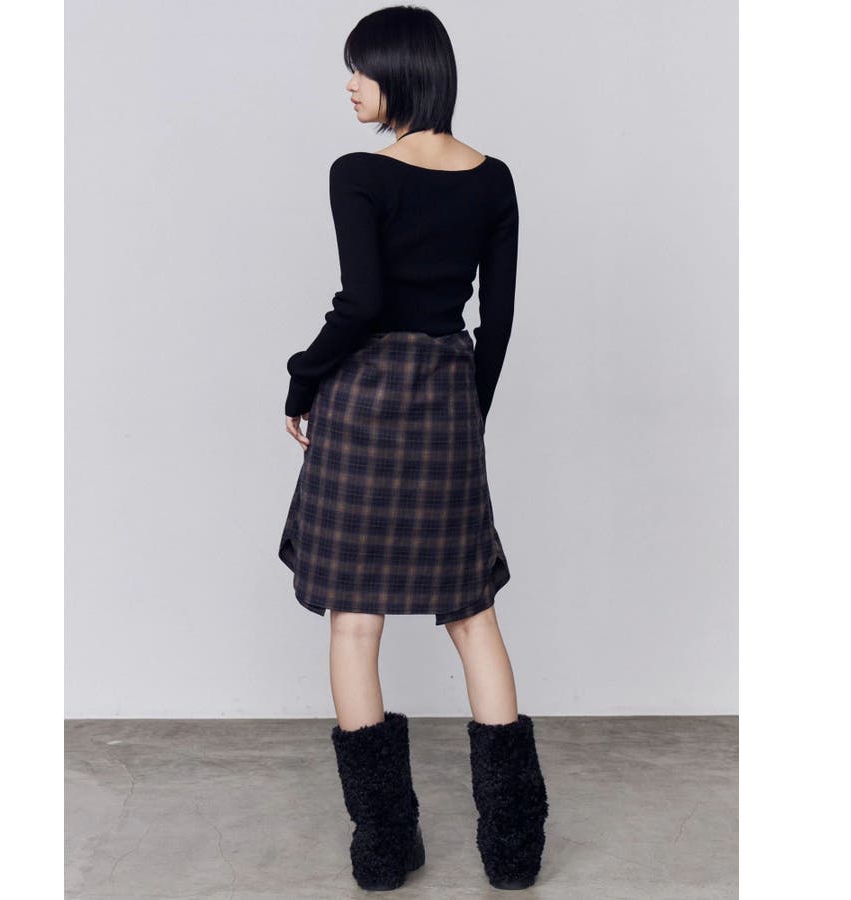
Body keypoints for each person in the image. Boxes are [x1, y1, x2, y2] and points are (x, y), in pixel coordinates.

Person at [277, 6, 548, 891]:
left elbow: (360, 304)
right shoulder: (494, 179)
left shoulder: (358, 174)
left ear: (401, 74)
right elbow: (497, 321)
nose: (351, 85)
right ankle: (514, 850)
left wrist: (301, 378)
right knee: (473, 615)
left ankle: (387, 848)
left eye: (361, 69)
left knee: (355, 621)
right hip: (444, 398)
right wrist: (469, 412)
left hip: (362, 403)